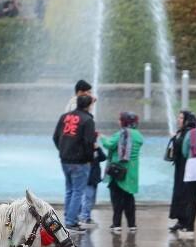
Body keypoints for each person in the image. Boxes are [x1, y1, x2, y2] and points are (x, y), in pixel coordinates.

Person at [53, 94, 96, 230]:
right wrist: (90, 158)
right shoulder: (88, 120)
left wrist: (62, 150)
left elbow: (55, 137)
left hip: (65, 159)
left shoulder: (65, 116)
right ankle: (71, 222)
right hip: (80, 161)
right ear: (89, 106)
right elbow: (89, 142)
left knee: (70, 190)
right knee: (78, 191)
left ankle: (69, 217)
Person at [101, 111, 143, 234]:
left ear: (124, 122)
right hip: (132, 171)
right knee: (129, 198)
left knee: (117, 198)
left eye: (120, 120)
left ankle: (117, 224)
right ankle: (132, 225)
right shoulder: (138, 135)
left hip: (119, 172)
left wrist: (102, 137)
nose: (118, 122)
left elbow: (109, 144)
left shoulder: (122, 134)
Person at [167, 110, 196, 233]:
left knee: (185, 193)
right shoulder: (182, 132)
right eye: (178, 117)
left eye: (181, 118)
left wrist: (175, 138)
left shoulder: (189, 133)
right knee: (179, 192)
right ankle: (180, 220)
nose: (178, 120)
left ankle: (186, 221)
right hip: (180, 167)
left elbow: (184, 149)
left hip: (186, 168)